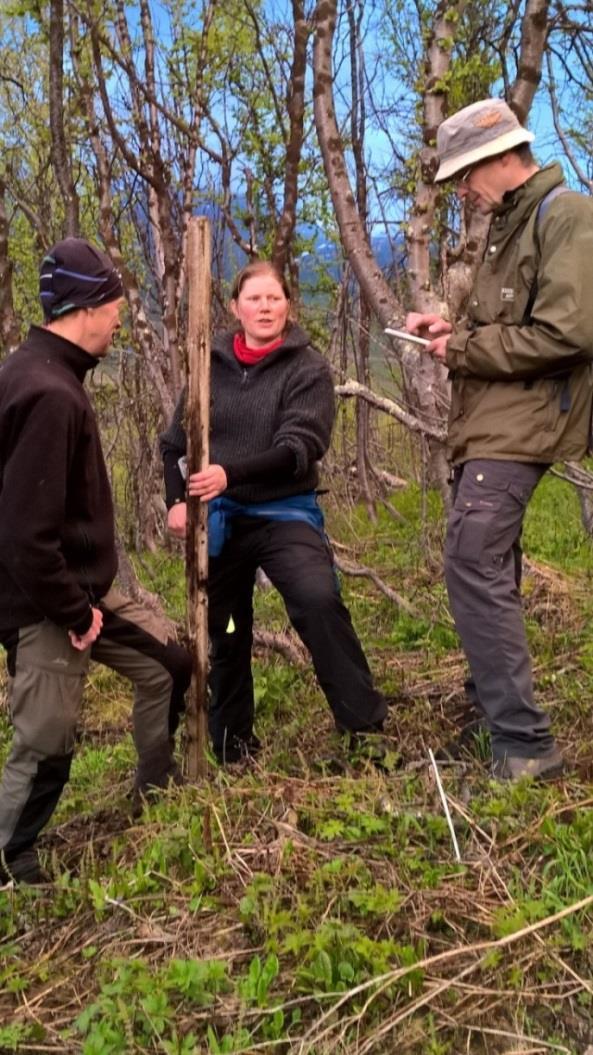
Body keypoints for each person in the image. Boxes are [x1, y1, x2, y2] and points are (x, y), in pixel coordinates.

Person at [406, 97, 593, 780]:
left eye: (465, 173)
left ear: (500, 159)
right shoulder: (507, 226)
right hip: (490, 424)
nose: (462, 189)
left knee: (472, 564)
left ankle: (524, 744)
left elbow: (567, 333)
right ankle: (494, 722)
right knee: (485, 567)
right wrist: (447, 333)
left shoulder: (564, 214)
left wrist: (461, 348)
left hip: (524, 426)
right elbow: (500, 328)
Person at [0, 238, 192, 884]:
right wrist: (74, 611)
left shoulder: (36, 372)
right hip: (42, 596)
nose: (118, 319)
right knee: (45, 742)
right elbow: (27, 534)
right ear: (87, 306)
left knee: (168, 661)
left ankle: (157, 787)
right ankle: (9, 859)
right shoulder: (49, 394)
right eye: (114, 305)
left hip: (73, 583)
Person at [160, 260, 387, 764]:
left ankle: (365, 730)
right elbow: (173, 443)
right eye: (254, 299)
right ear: (235, 307)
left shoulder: (307, 368)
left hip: (284, 513)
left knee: (316, 598)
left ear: (288, 305)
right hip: (221, 521)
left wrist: (229, 473)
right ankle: (231, 745)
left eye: (274, 299)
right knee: (224, 626)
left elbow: (299, 448)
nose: (265, 308)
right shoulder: (209, 364)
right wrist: (177, 500)